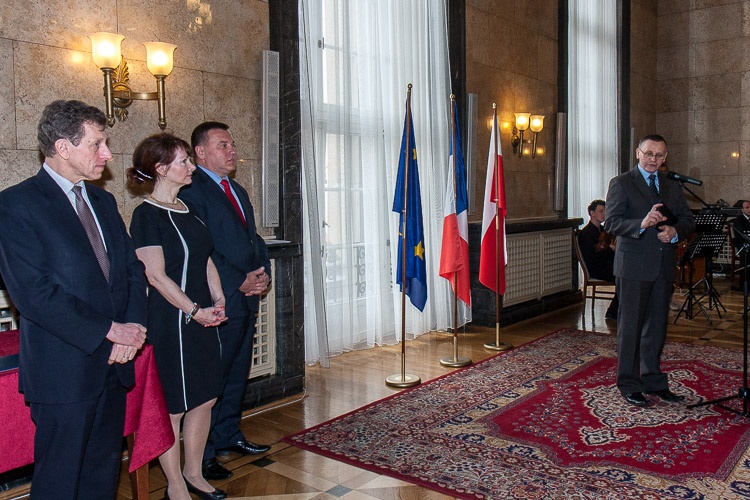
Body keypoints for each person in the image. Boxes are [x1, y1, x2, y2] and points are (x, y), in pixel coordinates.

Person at [0, 100, 148, 498]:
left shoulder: (103, 201)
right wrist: (110, 330)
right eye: (97, 144)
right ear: (63, 147)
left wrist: (133, 328)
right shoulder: (16, 205)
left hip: (114, 365)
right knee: (60, 482)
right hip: (63, 371)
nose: (107, 153)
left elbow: (131, 269)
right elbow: (34, 294)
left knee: (102, 477)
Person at [128, 133, 229, 500]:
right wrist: (194, 311)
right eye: (183, 161)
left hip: (202, 315)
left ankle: (194, 473)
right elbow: (155, 276)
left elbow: (204, 259)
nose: (191, 167)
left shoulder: (190, 208)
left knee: (205, 398)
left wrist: (218, 297)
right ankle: (174, 486)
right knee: (172, 407)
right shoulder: (146, 215)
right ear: (160, 168)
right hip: (172, 321)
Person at [179, 121, 272, 480]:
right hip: (218, 299)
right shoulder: (191, 190)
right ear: (200, 152)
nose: (232, 151)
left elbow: (253, 239)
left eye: (232, 145)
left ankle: (229, 433)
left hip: (246, 298)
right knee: (212, 379)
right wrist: (238, 281)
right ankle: (204, 455)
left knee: (237, 372)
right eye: (223, 145)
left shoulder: (237, 189)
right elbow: (202, 249)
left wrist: (262, 273)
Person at [604, 134, 695, 407]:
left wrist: (674, 231)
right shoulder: (621, 183)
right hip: (633, 267)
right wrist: (641, 224)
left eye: (658, 155)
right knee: (631, 329)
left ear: (665, 157)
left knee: (656, 329)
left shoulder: (670, 186)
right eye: (648, 153)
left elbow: (688, 219)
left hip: (663, 267)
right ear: (638, 153)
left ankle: (655, 382)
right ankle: (629, 384)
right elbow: (611, 223)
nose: (652, 159)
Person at [578, 199, 618, 320]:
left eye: (605, 211)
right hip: (596, 268)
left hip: (605, 264)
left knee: (626, 273)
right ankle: (613, 311)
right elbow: (592, 257)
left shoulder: (603, 230)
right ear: (592, 213)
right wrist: (610, 249)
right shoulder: (586, 233)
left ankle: (617, 310)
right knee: (623, 277)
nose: (604, 214)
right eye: (601, 211)